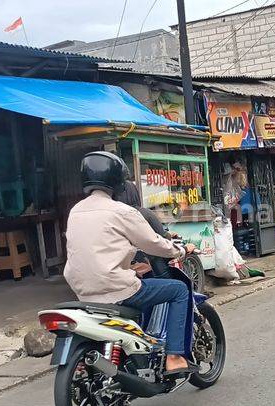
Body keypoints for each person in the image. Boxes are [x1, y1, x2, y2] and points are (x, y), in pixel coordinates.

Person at [63, 151, 197, 375]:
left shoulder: (75, 211)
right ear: (118, 181)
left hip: (82, 290)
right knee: (179, 290)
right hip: (117, 288)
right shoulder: (123, 211)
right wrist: (181, 251)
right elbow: (154, 243)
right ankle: (174, 357)